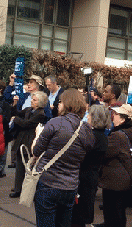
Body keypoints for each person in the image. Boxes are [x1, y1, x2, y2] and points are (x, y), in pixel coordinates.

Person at [32, 89, 95, 226]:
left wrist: (37, 135)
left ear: (67, 104)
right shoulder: (86, 130)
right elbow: (85, 156)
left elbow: (36, 151)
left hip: (49, 182)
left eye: (60, 101)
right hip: (70, 186)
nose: (58, 104)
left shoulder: (55, 123)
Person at [95, 104, 132, 227]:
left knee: (114, 209)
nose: (112, 117)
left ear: (122, 119)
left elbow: (106, 153)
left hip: (115, 177)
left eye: (115, 115)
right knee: (117, 208)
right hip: (123, 175)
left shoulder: (117, 135)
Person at [71, 104, 110, 227]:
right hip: (91, 176)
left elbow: (80, 155)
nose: (87, 117)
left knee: (78, 213)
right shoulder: (102, 135)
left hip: (84, 176)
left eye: (90, 115)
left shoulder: (92, 136)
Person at [9, 91, 48, 198]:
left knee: (28, 166)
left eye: (34, 100)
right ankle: (18, 188)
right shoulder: (28, 110)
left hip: (29, 141)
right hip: (21, 140)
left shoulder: (40, 114)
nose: (32, 101)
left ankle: (28, 189)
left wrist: (16, 120)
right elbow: (17, 113)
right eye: (32, 99)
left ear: (40, 102)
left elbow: (26, 124)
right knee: (19, 167)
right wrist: (14, 105)